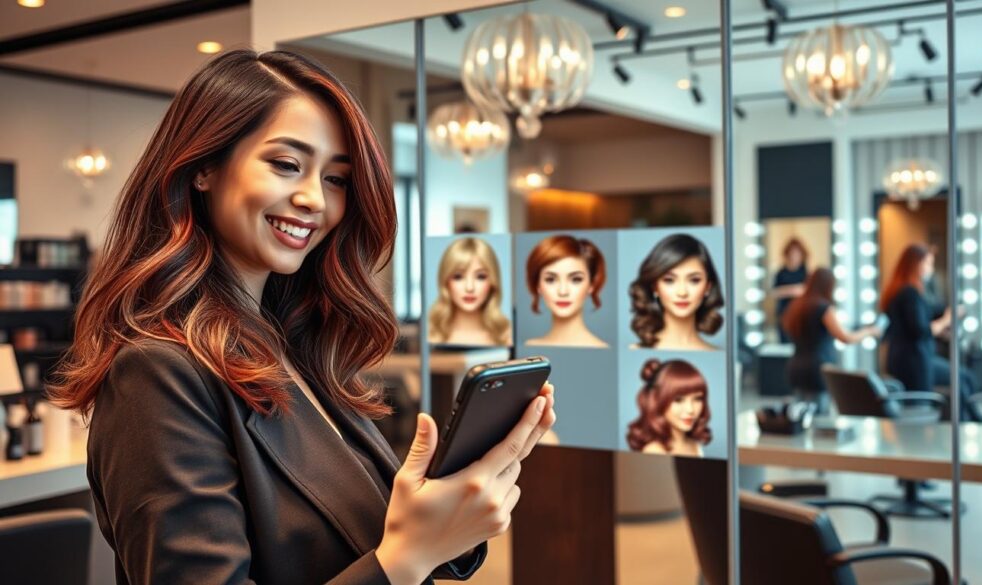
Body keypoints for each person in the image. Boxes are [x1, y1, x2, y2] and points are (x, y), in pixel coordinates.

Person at [48, 50, 556, 585]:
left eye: (336, 179)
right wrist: (407, 558)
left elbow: (364, 536)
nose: (314, 198)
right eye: (286, 164)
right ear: (203, 167)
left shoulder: (298, 349)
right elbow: (392, 558)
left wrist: (449, 515)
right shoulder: (155, 373)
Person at [881, 244, 981, 421]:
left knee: (963, 379)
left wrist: (942, 331)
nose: (931, 268)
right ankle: (973, 422)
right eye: (928, 263)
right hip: (914, 361)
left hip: (907, 357)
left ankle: (972, 421)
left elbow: (912, 329)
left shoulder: (901, 290)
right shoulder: (909, 293)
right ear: (915, 264)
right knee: (920, 408)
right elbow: (921, 330)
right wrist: (947, 319)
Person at [782, 268, 880, 412]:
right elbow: (845, 337)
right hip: (817, 369)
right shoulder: (823, 308)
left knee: (800, 414)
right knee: (820, 415)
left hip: (796, 367)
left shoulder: (797, 306)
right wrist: (869, 332)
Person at [629, 234, 724, 351]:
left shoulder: (719, 354)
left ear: (707, 287)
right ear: (655, 287)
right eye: (669, 280)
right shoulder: (634, 350)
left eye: (694, 280)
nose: (682, 292)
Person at [524, 234, 608, 348]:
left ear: (591, 285)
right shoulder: (529, 346)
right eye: (550, 279)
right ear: (537, 285)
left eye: (576, 279)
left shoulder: (601, 348)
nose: (563, 291)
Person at [428, 237, 512, 347]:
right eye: (458, 276)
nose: (469, 287)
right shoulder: (431, 335)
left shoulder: (506, 336)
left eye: (480, 276)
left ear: (493, 282)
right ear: (445, 282)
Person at [626, 359, 711, 457]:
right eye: (678, 400)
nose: (690, 409)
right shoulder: (655, 451)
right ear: (657, 401)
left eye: (697, 399)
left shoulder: (695, 445)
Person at [772, 238, 808, 343]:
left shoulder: (805, 272)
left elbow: (807, 291)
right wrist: (792, 290)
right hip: (784, 313)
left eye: (797, 253)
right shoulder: (781, 273)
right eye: (792, 253)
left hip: (800, 314)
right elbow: (774, 292)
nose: (794, 256)